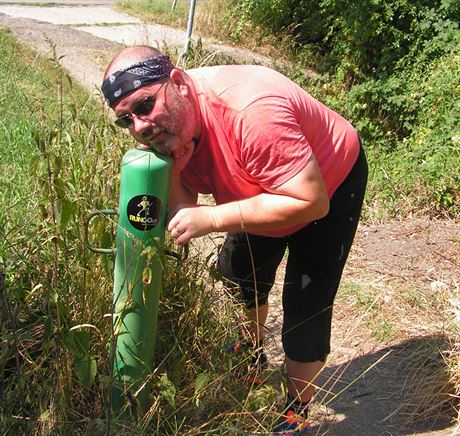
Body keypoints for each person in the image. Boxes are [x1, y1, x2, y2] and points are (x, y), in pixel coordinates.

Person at [101, 45, 368, 434]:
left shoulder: (250, 113)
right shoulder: (168, 126)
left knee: (305, 308)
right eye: (126, 120)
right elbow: (181, 215)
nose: (140, 125)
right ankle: (251, 356)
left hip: (327, 182)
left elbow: (310, 201)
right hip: (258, 186)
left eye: (144, 106)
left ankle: (294, 412)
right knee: (237, 273)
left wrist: (214, 217)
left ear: (178, 83)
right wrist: (175, 170)